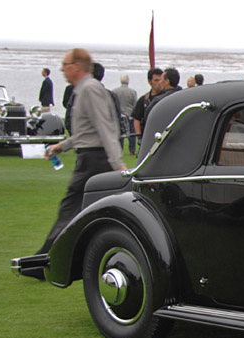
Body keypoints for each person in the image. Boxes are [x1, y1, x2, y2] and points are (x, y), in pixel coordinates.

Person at [21, 49, 124, 279]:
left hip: (94, 160)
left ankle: (46, 262)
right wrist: (61, 146)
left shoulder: (90, 89)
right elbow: (86, 132)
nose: (62, 68)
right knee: (84, 211)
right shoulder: (85, 90)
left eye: (65, 64)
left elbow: (105, 127)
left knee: (70, 210)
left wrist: (118, 164)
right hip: (92, 157)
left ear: (77, 65)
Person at [131, 68, 163, 148]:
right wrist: (139, 137)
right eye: (156, 80)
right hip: (147, 136)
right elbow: (137, 118)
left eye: (161, 80)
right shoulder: (144, 100)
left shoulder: (167, 98)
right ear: (149, 81)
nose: (159, 83)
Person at [112, 74, 138, 155]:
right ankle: (132, 150)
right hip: (130, 115)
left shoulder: (114, 91)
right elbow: (135, 105)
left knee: (120, 133)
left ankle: (120, 150)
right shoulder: (133, 92)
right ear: (128, 81)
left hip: (119, 115)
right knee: (132, 134)